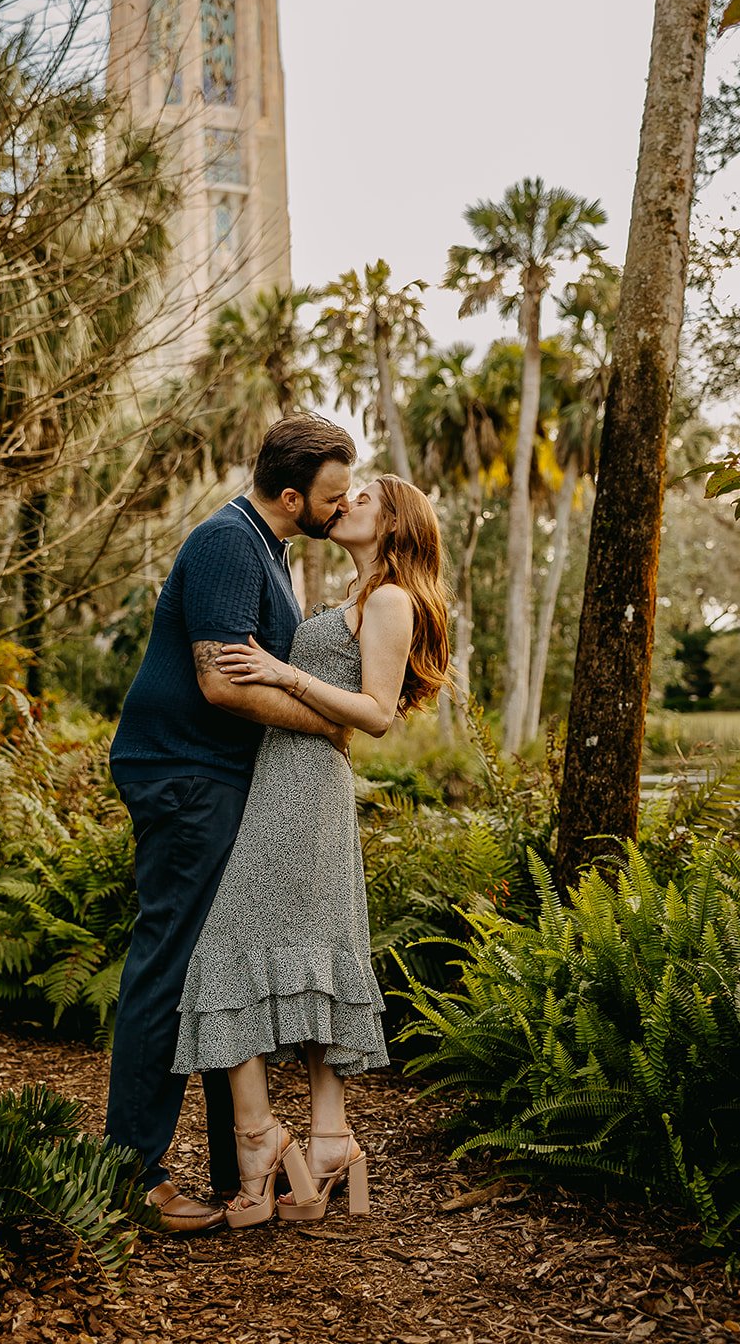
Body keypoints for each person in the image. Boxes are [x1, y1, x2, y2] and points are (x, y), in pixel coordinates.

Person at [173, 476, 450, 1227]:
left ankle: (257, 1139)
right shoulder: (355, 598)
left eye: (363, 498)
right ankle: (327, 1140)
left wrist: (279, 670)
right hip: (285, 779)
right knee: (308, 953)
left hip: (304, 790)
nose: (345, 502)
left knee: (227, 949)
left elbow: (378, 715)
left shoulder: (390, 599)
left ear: (394, 524)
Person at [105, 415, 358, 1233]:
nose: (342, 501)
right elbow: (218, 683)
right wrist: (324, 723)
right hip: (182, 773)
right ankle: (130, 1175)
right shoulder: (226, 542)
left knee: (219, 965)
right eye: (331, 493)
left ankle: (236, 1164)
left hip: (218, 776)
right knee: (173, 964)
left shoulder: (267, 549)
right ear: (292, 496)